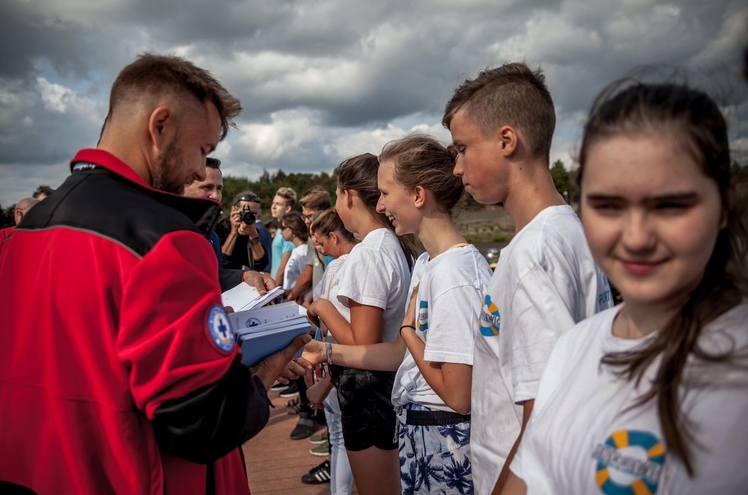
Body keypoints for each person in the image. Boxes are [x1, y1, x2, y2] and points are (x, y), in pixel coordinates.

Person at [0, 53, 310, 494]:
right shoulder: (163, 239)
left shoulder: (26, 229)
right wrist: (267, 371)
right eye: (202, 149)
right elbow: (204, 422)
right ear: (160, 126)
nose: (200, 169)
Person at [505, 82, 748, 494]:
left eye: (670, 205)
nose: (636, 237)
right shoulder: (572, 348)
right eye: (608, 206)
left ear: (723, 205)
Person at [442, 62, 613, 494]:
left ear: (506, 141)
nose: (457, 169)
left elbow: (548, 415)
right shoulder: (570, 231)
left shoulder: (532, 253)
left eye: (462, 149)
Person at [304, 134, 492, 493]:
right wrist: (327, 352)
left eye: (386, 193)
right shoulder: (426, 262)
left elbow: (458, 394)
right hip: (420, 432)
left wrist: (407, 332)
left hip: (444, 438)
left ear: (418, 196)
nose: (381, 204)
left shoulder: (454, 275)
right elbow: (395, 355)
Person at [303, 153, 417, 495]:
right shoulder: (391, 244)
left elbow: (362, 342)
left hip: (369, 394)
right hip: (383, 389)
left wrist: (323, 306)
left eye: (337, 195)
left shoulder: (368, 253)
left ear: (349, 196)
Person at [301, 209, 357, 490]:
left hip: (339, 364)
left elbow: (325, 314)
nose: (321, 251)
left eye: (321, 245)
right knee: (338, 437)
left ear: (335, 236)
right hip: (330, 362)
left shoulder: (348, 265)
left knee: (342, 439)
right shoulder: (336, 266)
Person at [184, 158, 269, 292]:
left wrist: (244, 275)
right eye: (207, 187)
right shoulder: (167, 231)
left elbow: (216, 275)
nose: (216, 196)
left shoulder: (212, 236)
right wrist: (233, 233)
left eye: (219, 189)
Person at [287, 186, 333, 307]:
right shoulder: (312, 235)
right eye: (304, 216)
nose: (306, 221)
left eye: (310, 216)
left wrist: (292, 295)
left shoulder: (331, 236)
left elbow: (308, 274)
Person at [216, 190, 269, 272]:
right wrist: (233, 233)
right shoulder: (220, 228)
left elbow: (260, 264)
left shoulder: (252, 231)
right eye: (245, 212)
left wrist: (253, 235)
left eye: (253, 214)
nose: (248, 216)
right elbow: (221, 262)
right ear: (233, 210)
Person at [270, 186, 297, 285]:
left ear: (287, 208)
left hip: (280, 289)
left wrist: (273, 292)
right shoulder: (279, 229)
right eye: (273, 203)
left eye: (278, 204)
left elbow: (283, 267)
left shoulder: (288, 232)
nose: (273, 207)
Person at [280, 210, 308, 291]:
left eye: (284, 228)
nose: (281, 232)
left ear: (294, 227)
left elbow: (305, 280)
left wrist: (291, 295)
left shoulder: (303, 252)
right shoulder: (297, 251)